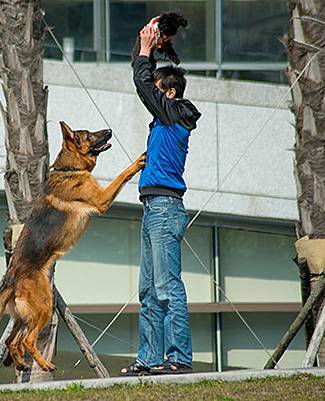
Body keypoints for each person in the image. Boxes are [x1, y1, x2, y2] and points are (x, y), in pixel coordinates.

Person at [121, 24, 201, 376]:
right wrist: (149, 47)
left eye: (158, 91)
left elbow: (142, 83)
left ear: (169, 94)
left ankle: (179, 358)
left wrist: (143, 51)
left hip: (166, 210)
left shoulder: (175, 114)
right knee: (148, 291)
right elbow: (147, 80)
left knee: (168, 287)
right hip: (152, 208)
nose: (151, 96)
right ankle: (150, 359)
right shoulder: (163, 120)